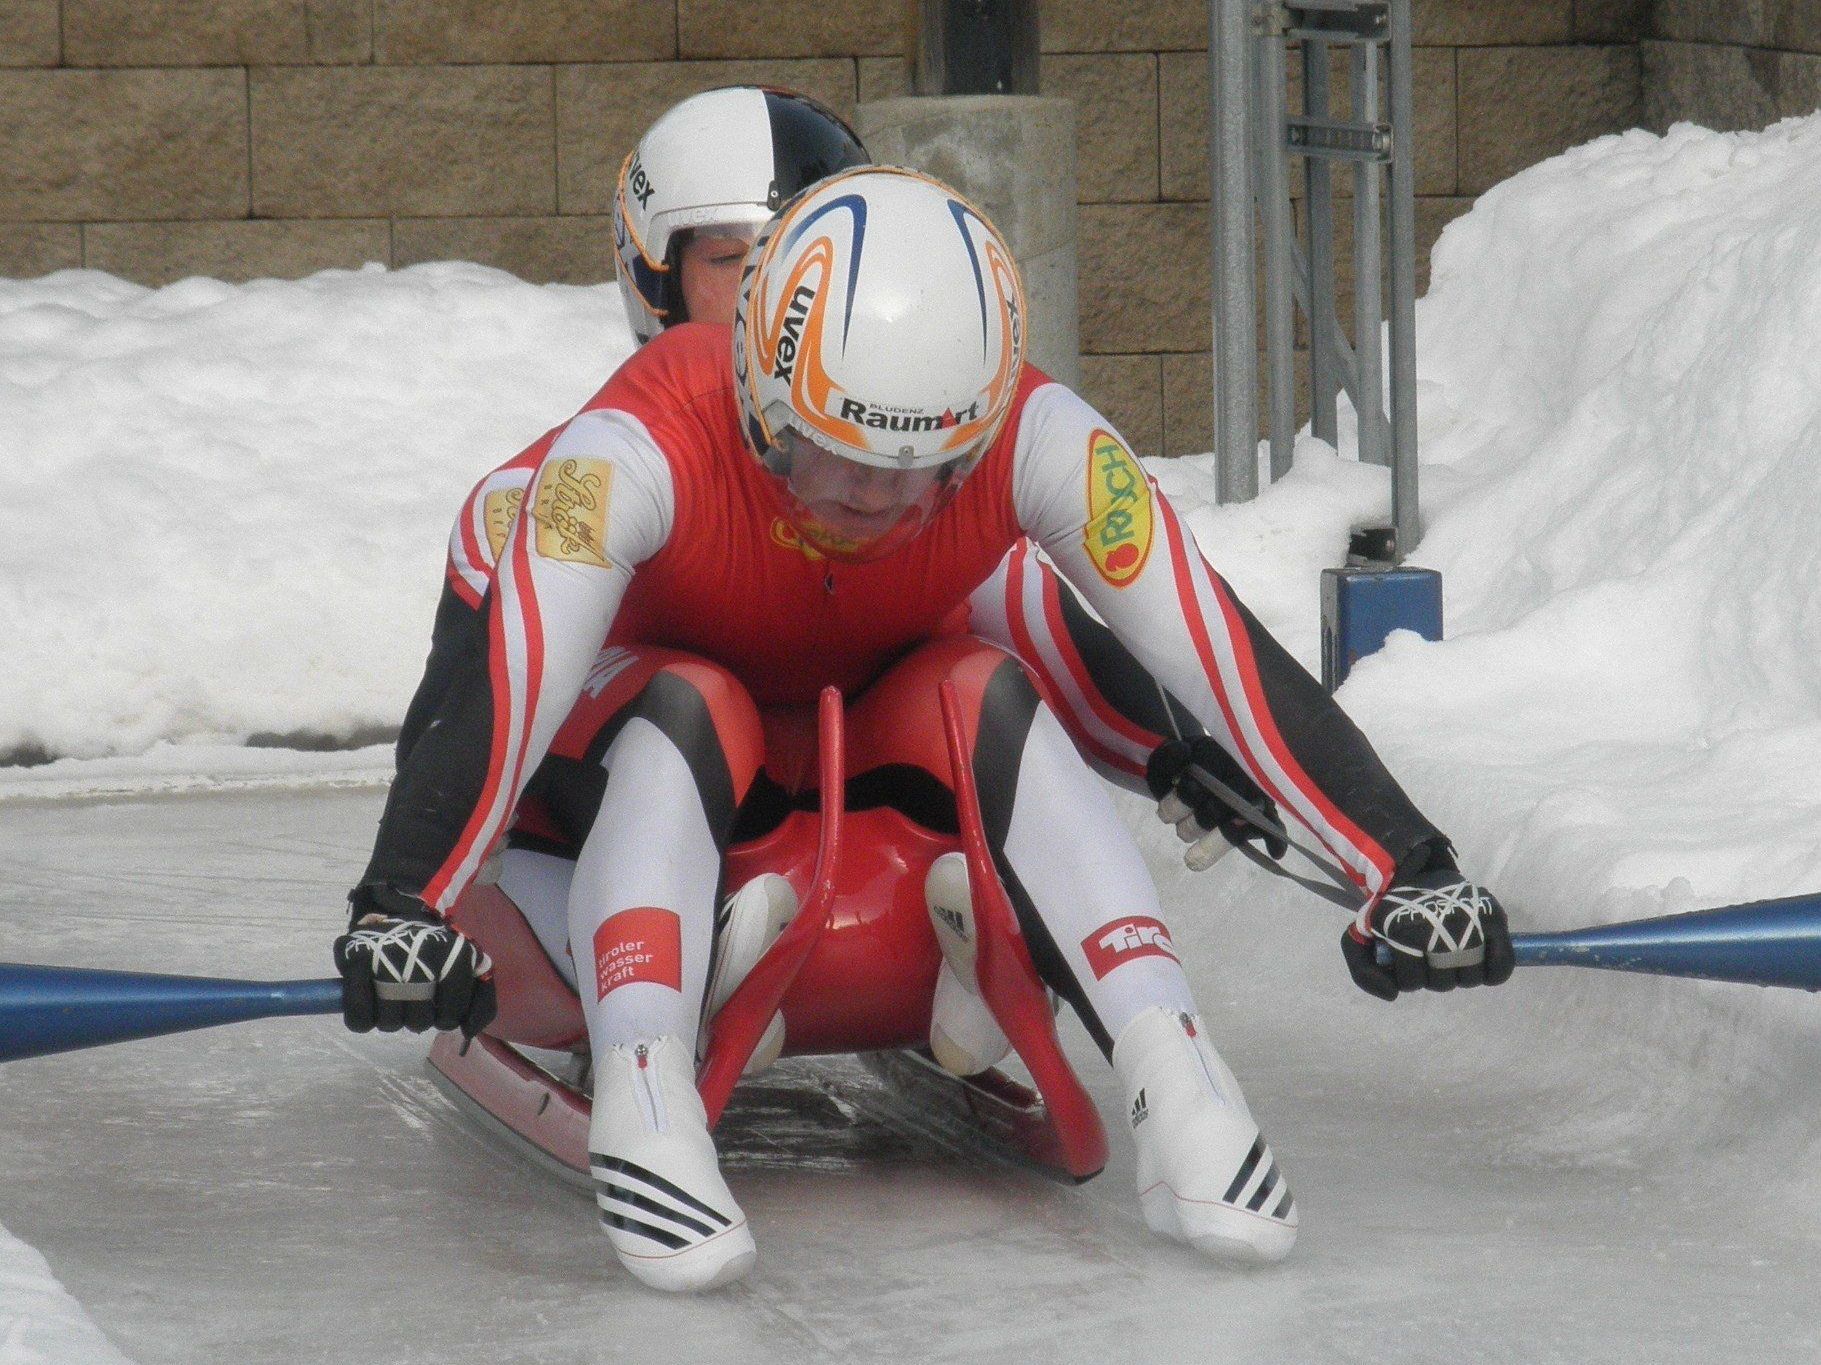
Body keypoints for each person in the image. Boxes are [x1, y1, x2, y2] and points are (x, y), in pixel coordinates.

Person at [334, 165, 1514, 1292]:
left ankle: (1174, 1065)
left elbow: (1214, 650)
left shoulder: (1042, 438)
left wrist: (1403, 864)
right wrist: (407, 897)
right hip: (614, 788)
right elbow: (512, 674)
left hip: (843, 792)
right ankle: (649, 1078)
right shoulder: (630, 446)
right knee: (691, 700)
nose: (875, 502)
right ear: (758, 393)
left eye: (926, 470)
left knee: (983, 684)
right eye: (835, 455)